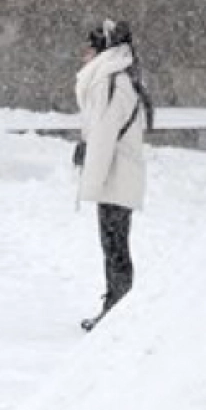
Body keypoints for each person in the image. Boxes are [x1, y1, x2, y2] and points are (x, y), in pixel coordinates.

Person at [73, 18, 154, 332]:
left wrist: (91, 178)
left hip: (115, 175)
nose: (84, 53)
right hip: (116, 173)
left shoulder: (112, 81)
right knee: (114, 244)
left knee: (115, 245)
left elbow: (105, 133)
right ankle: (117, 306)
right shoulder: (116, 79)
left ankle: (118, 310)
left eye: (89, 47)